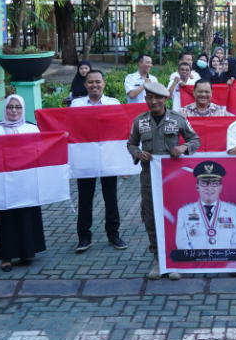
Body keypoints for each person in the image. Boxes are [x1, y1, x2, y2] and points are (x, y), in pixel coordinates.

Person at [127, 81, 201, 280]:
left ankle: (173, 259)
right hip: (149, 178)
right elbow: (131, 144)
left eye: (158, 97)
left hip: (173, 180)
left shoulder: (178, 119)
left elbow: (195, 140)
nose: (153, 101)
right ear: (146, 99)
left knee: (173, 218)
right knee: (151, 218)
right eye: (149, 97)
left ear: (165, 99)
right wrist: (138, 154)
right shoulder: (140, 121)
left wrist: (184, 148)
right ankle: (159, 259)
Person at [0, 95, 46, 272]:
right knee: (7, 219)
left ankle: (27, 252)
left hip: (26, 182)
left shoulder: (32, 129)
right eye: (10, 107)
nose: (13, 111)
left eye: (18, 107)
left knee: (27, 216)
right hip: (4, 184)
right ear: (5, 109)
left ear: (23, 109)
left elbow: (40, 152)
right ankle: (6, 257)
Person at [70, 70, 126, 253]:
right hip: (85, 158)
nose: (95, 85)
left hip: (108, 157)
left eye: (98, 82)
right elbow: (71, 129)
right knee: (85, 199)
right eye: (91, 82)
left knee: (111, 198)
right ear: (85, 85)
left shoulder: (114, 103)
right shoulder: (76, 105)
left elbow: (122, 129)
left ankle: (113, 234)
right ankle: (84, 237)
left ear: (104, 84)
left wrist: (125, 161)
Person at [175, 161, 236, 250]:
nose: (209, 188)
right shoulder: (184, 211)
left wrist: (225, 262)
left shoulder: (234, 211)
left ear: (220, 187)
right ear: (197, 187)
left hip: (225, 262)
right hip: (195, 262)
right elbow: (182, 243)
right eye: (204, 183)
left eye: (214, 184)